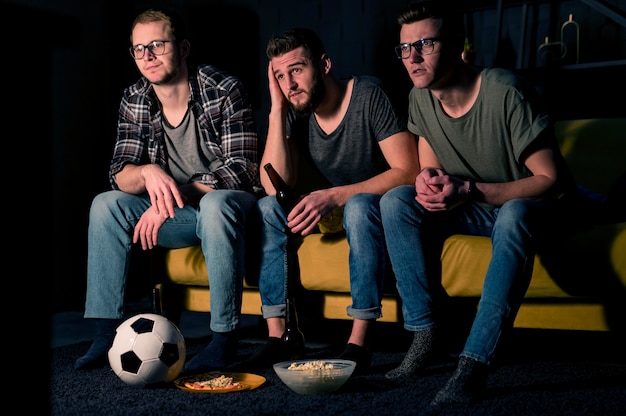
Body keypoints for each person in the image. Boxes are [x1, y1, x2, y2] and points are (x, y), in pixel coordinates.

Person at [380, 1, 585, 405]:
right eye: (405, 48)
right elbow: (431, 173)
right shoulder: (419, 98)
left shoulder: (506, 91)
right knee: (396, 201)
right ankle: (425, 332)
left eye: (425, 44)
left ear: (457, 45)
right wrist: (427, 185)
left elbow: (551, 181)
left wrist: (469, 190)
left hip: (542, 210)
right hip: (478, 211)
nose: (413, 57)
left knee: (515, 213)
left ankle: (473, 364)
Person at [74, 8, 261, 373]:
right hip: (179, 216)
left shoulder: (223, 89)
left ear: (184, 47)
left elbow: (242, 168)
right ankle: (105, 332)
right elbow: (119, 173)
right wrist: (147, 172)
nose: (147, 56)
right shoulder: (135, 98)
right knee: (105, 204)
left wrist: (177, 193)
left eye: (157, 45)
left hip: (229, 212)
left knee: (217, 202)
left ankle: (224, 338)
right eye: (138, 49)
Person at [241, 28, 420, 374]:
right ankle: (280, 337)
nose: (289, 83)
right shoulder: (294, 107)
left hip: (380, 207)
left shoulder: (368, 94)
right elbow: (270, 184)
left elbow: (408, 170)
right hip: (331, 207)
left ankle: (360, 340)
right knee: (267, 208)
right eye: (280, 75)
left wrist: (336, 195)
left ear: (323, 64)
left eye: (296, 69)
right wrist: (277, 111)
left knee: (357, 205)